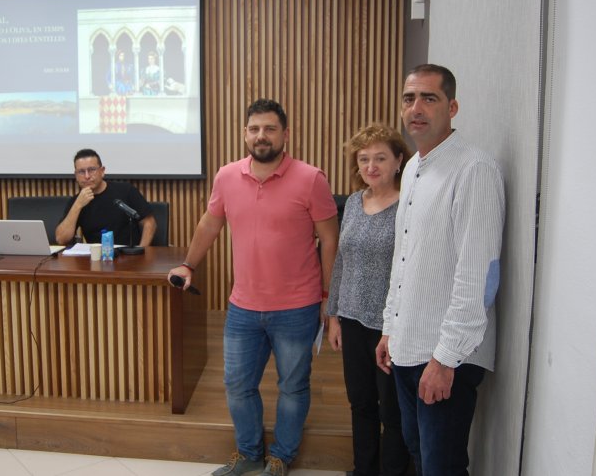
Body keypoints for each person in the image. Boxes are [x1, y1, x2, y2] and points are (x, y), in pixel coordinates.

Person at [168, 99, 339, 476]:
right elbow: (209, 225)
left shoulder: (311, 178)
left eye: (270, 129)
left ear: (286, 135)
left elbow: (330, 239)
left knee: (293, 386)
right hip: (243, 306)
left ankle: (281, 456)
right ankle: (248, 453)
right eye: (254, 129)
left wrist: (330, 297)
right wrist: (188, 264)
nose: (261, 136)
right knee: (237, 384)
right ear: (245, 133)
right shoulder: (227, 176)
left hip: (298, 306)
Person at [375, 64, 505, 476]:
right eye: (409, 98)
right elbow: (405, 257)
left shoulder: (474, 169)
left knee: (442, 467)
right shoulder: (412, 168)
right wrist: (389, 327)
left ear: (452, 107)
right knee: (420, 454)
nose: (416, 108)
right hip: (408, 345)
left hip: (447, 355)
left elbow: (479, 276)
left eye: (429, 98)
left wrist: (446, 360)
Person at [326, 124, 412, 476]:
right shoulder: (354, 204)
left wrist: (393, 328)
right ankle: (364, 469)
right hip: (352, 320)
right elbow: (341, 261)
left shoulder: (408, 205)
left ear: (398, 161)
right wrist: (333, 316)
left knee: (391, 411)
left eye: (380, 158)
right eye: (364, 159)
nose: (371, 166)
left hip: (389, 326)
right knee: (361, 403)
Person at [55, 148, 156, 247]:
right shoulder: (77, 201)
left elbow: (149, 222)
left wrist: (142, 250)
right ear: (76, 175)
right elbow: (61, 239)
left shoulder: (126, 190)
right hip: (96, 258)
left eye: (91, 170)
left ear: (102, 171)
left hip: (128, 256)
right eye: (81, 172)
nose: (87, 176)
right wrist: (78, 205)